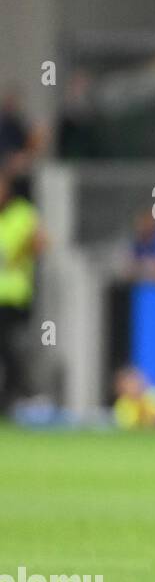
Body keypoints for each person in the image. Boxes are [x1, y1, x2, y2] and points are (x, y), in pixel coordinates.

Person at [0, 173, 42, 413]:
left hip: (14, 298)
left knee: (11, 352)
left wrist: (22, 252)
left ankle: (11, 400)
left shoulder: (22, 213)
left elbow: (41, 242)